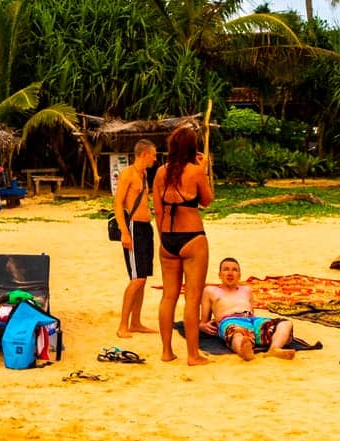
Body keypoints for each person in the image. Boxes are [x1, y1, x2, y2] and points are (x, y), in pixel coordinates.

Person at [154, 123, 213, 365]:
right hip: (192, 237)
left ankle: (166, 351)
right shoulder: (195, 171)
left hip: (167, 238)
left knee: (168, 297)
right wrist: (204, 169)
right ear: (192, 148)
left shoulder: (160, 172)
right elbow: (207, 201)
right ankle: (192, 354)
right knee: (192, 297)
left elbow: (157, 211)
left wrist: (164, 238)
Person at [199, 257, 296, 360]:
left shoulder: (247, 290)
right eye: (226, 269)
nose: (230, 273)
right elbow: (204, 321)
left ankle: (274, 349)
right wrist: (202, 326)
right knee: (237, 333)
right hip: (229, 321)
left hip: (251, 319)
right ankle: (243, 351)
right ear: (220, 275)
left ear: (239, 276)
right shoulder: (210, 291)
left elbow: (252, 311)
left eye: (234, 270)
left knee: (285, 323)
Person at [115, 138, 158, 338]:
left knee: (143, 277)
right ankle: (123, 325)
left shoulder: (145, 174)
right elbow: (118, 205)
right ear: (144, 154)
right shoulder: (128, 174)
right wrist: (124, 231)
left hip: (145, 228)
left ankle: (136, 322)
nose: (155, 158)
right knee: (136, 278)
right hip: (133, 227)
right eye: (154, 154)